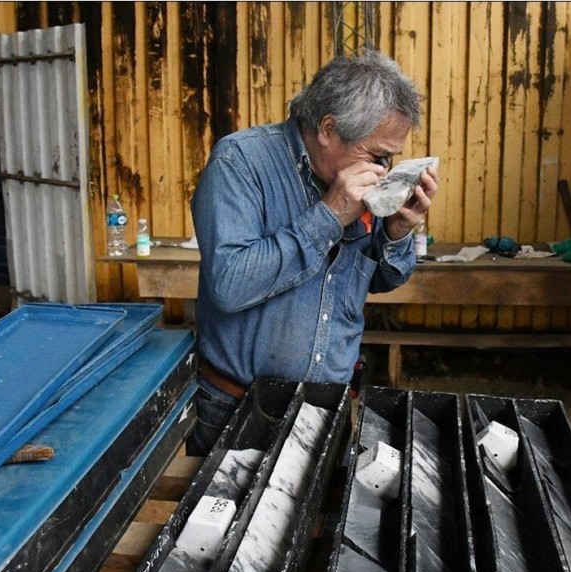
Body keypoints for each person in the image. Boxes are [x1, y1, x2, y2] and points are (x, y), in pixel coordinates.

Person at [187, 50, 438, 456]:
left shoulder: (358, 179)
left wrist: (397, 231)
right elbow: (229, 284)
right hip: (237, 408)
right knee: (225, 519)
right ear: (327, 128)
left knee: (319, 516)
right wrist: (330, 215)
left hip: (326, 407)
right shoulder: (240, 162)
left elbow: (381, 279)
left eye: (391, 158)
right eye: (377, 155)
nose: (384, 168)